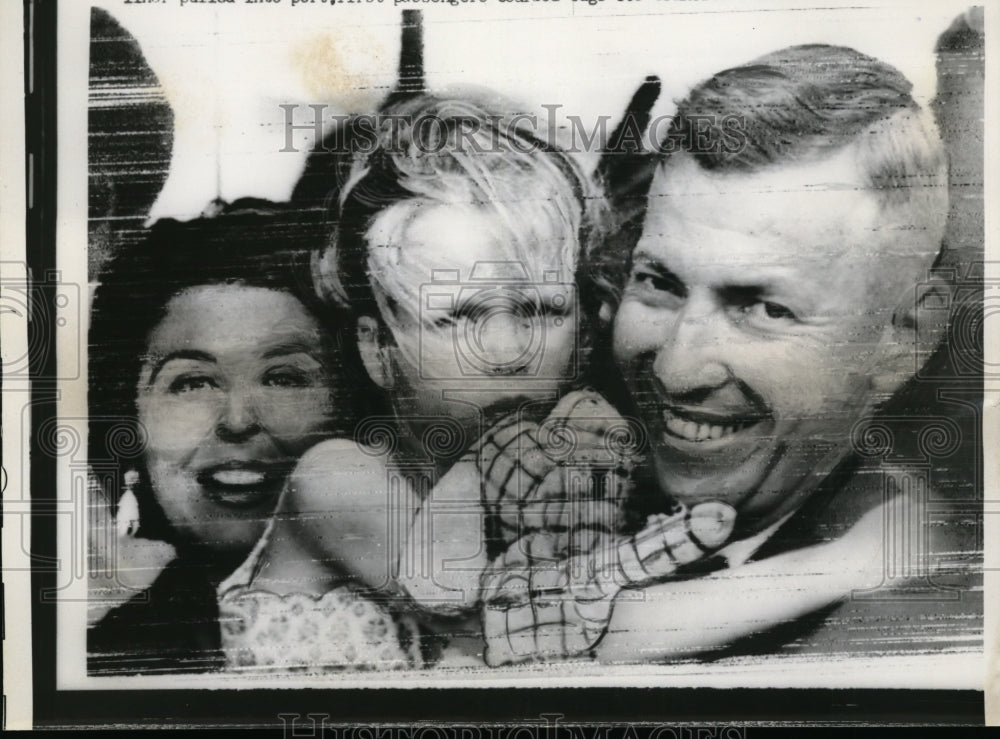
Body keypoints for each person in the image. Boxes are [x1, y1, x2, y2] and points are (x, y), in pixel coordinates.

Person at [285, 93, 737, 662]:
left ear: (586, 334)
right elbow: (542, 629)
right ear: (376, 350)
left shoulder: (590, 480)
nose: (506, 353)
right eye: (455, 317)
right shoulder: (335, 477)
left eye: (544, 310)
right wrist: (840, 565)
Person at [586, 44, 963, 661]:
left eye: (763, 308)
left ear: (903, 339)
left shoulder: (915, 634)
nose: (676, 370)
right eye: (658, 282)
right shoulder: (561, 479)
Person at [87, 201, 422, 675]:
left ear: (351, 404)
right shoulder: (106, 666)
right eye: (192, 383)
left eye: (283, 378)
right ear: (129, 422)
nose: (239, 420)